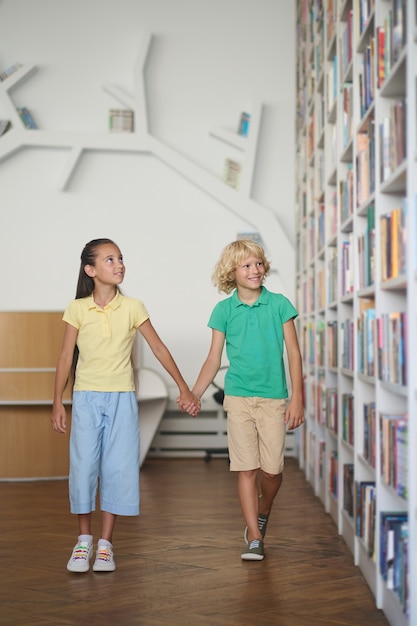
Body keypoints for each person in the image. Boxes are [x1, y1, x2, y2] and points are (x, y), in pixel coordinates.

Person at [52, 238, 199, 573]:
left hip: (122, 398)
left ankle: (106, 545)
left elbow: (159, 348)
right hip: (87, 398)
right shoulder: (77, 308)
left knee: (118, 468)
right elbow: (65, 357)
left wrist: (183, 387)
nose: (119, 264)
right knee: (84, 467)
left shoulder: (133, 306)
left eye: (120, 258)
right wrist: (57, 401)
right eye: (109, 260)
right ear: (91, 270)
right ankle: (83, 541)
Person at [188, 239, 304, 561]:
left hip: (274, 399)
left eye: (258, 264)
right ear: (232, 272)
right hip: (238, 396)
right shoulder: (223, 310)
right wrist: (194, 393)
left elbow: (293, 354)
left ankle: (264, 508)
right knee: (246, 469)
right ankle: (254, 536)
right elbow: (213, 359)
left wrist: (298, 399)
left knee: (272, 471)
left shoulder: (280, 304)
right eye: (246, 265)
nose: (254, 270)